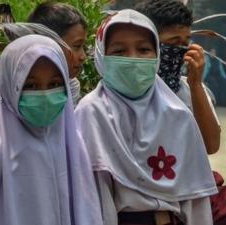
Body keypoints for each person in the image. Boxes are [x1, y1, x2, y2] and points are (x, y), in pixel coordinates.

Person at [75, 9, 217, 225]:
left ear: (157, 55)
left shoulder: (178, 115)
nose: (132, 59)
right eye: (119, 51)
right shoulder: (91, 113)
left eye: (143, 49)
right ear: (102, 55)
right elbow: (93, 196)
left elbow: (195, 199)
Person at [0, 35, 102, 225]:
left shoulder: (72, 143)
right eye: (31, 86)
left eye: (54, 84)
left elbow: (86, 209)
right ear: (10, 88)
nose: (44, 94)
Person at [134, 0, 221, 155]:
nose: (181, 50)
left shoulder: (190, 89)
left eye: (186, 42)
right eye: (173, 42)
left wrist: (196, 85)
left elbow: (211, 145)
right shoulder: (126, 90)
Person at [28, 2, 87, 104]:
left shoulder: (72, 86)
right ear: (50, 44)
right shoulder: (21, 87)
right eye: (77, 46)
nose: (83, 56)